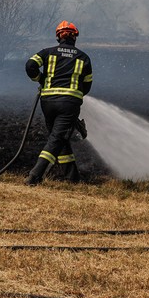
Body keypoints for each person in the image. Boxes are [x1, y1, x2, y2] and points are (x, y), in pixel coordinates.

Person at [24, 21, 94, 184]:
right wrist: (75, 96)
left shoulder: (47, 52)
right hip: (69, 104)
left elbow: (30, 65)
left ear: (58, 37)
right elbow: (87, 86)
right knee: (56, 139)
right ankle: (34, 176)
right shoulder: (83, 57)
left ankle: (73, 178)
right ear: (75, 37)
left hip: (48, 102)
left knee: (58, 139)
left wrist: (40, 79)